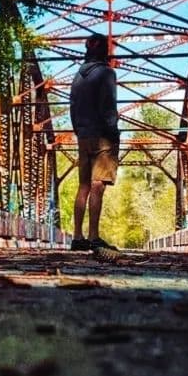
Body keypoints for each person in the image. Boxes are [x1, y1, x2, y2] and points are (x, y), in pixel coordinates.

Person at [68, 33, 120, 251]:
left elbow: (72, 107)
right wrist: (113, 131)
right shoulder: (107, 73)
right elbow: (108, 106)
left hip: (83, 135)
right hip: (102, 136)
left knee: (83, 186)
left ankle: (77, 237)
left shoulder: (77, 77)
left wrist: (79, 131)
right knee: (98, 186)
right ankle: (94, 237)